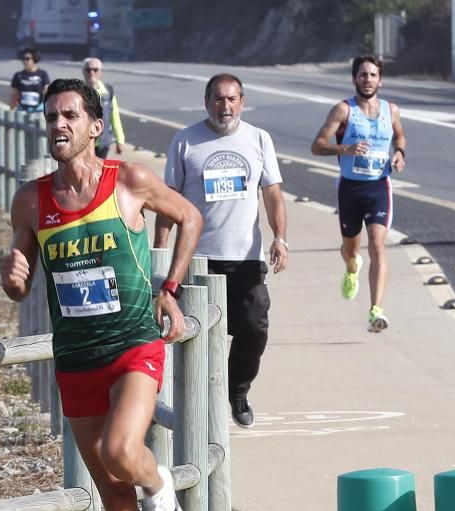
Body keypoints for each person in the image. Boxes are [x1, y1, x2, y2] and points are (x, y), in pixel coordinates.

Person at [0, 78, 203, 511]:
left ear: (94, 126)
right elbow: (20, 279)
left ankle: (160, 482)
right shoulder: (31, 201)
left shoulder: (129, 182)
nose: (57, 125)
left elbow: (189, 217)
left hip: (133, 345)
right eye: (50, 117)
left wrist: (170, 288)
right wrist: (13, 280)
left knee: (122, 451)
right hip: (77, 360)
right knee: (113, 497)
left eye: (69, 115)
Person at [155, 73, 288, 429]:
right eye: (217, 99)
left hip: (245, 257)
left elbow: (273, 193)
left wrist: (280, 237)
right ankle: (191, 403)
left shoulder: (259, 139)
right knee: (191, 332)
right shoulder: (186, 142)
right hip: (196, 259)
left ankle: (237, 391)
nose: (224, 106)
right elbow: (169, 201)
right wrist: (161, 252)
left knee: (254, 328)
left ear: (242, 102)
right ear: (206, 102)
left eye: (231, 99)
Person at [310, 55, 406, 333]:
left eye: (373, 75)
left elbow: (400, 136)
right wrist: (344, 149)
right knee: (352, 251)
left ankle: (376, 310)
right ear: (354, 79)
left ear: (380, 80)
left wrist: (399, 154)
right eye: (362, 75)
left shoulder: (392, 110)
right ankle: (352, 269)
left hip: (379, 186)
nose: (368, 80)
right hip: (350, 188)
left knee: (377, 244)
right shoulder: (343, 111)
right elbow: (317, 146)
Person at [81, 57, 125, 158]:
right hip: (83, 143)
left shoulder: (108, 91)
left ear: (100, 72)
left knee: (100, 172)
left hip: (103, 142)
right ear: (83, 72)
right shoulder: (77, 91)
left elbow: (114, 116)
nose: (92, 73)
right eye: (88, 70)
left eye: (95, 70)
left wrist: (120, 140)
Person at [9, 48, 50, 114]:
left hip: (38, 109)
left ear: (34, 59)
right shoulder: (18, 75)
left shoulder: (42, 74)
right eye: (23, 59)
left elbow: (47, 92)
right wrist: (10, 109)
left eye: (27, 59)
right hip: (22, 109)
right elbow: (14, 94)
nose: (24, 61)